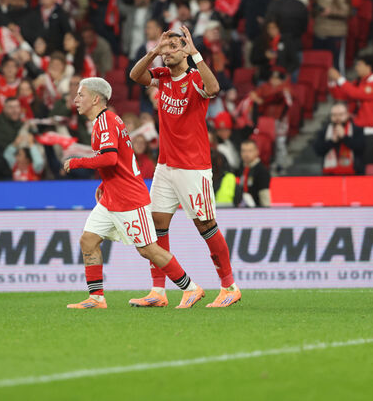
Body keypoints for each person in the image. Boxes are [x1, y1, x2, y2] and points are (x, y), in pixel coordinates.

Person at [62, 77, 205, 309]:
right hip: (112, 197)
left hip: (129, 199)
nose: (76, 99)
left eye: (81, 94)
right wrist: (105, 183)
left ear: (96, 99)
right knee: (88, 240)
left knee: (148, 249)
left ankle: (191, 289)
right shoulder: (104, 121)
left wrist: (76, 162)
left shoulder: (106, 121)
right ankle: (96, 298)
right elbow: (120, 161)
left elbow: (110, 158)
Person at [129, 26, 240, 308]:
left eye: (175, 46)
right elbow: (135, 76)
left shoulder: (194, 78)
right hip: (165, 166)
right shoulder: (162, 76)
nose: (169, 50)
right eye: (167, 46)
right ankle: (158, 291)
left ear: (186, 50)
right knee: (156, 226)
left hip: (193, 166)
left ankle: (229, 287)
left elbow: (214, 89)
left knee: (205, 225)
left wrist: (196, 54)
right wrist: (154, 50)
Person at [328, 55, 373, 164]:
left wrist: (339, 78)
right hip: (355, 129)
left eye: (359, 65)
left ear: (369, 67)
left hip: (369, 132)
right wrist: (332, 81)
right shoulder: (359, 83)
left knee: (369, 166)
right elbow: (340, 95)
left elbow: (355, 93)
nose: (356, 68)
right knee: (356, 165)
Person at [314, 102, 365, 175]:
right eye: (334, 115)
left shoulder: (356, 130)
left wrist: (344, 137)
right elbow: (318, 150)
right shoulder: (324, 131)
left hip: (354, 174)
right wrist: (332, 141)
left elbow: (361, 148)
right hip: (330, 175)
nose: (337, 118)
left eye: (341, 115)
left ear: (347, 115)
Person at [238, 139, 271, 207]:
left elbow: (264, 194)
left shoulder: (261, 171)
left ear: (257, 152)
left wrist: (266, 211)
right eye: (244, 151)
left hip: (257, 210)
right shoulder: (242, 168)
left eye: (250, 151)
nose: (246, 154)